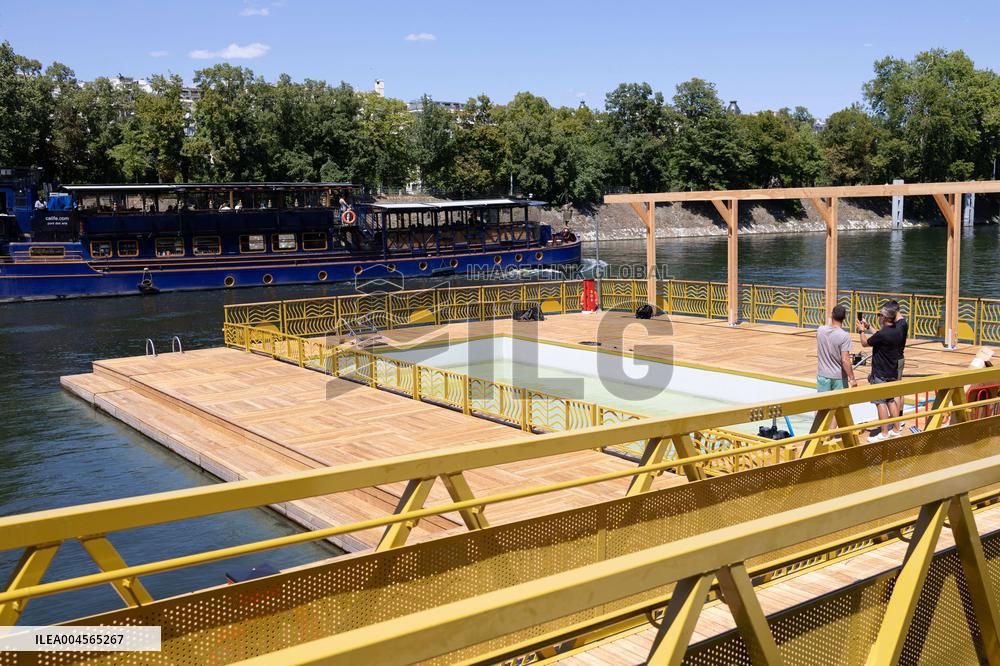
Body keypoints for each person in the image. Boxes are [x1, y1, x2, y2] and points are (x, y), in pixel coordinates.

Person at [859, 303, 906, 441]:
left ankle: (884, 433)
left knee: (880, 403)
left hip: (880, 373)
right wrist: (869, 328)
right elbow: (879, 336)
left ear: (885, 317)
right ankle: (896, 429)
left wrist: (862, 331)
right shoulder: (897, 330)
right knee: (891, 400)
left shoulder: (883, 333)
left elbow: (864, 343)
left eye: (880, 315)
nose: (879, 317)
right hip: (891, 371)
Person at [816, 305, 857, 393]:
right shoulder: (844, 336)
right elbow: (845, 359)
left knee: (823, 405)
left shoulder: (820, 330)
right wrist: (852, 378)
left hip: (823, 375)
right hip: (839, 378)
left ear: (832, 315)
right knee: (840, 406)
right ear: (844, 318)